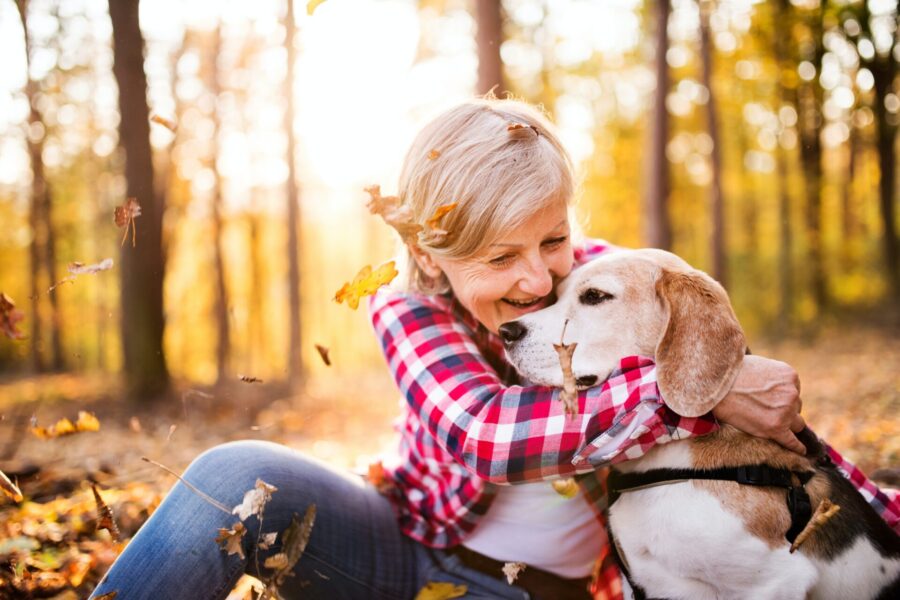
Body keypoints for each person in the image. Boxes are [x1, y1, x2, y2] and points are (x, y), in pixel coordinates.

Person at [89, 97, 899, 600]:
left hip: (548, 593)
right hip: (414, 558)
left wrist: (716, 387)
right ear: (435, 254)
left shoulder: (604, 280)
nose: (538, 279)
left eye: (551, 238)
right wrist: (683, 392)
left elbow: (758, 429)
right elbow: (485, 436)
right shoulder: (407, 305)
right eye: (498, 258)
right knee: (232, 478)